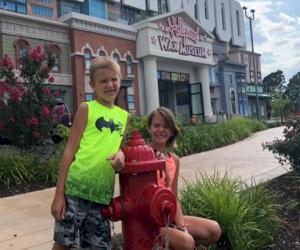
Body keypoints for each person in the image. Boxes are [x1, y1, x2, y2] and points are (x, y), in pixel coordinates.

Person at [51, 56, 129, 250]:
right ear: (92, 85)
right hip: (76, 190)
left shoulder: (124, 117)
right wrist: (59, 194)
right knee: (64, 243)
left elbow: (118, 147)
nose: (110, 84)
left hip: (102, 196)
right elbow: (69, 150)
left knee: (98, 246)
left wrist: (121, 156)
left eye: (114, 79)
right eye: (103, 81)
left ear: (120, 80)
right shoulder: (87, 109)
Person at [148, 107, 221, 250]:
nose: (161, 130)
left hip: (169, 217)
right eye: (156, 125)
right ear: (149, 128)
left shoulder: (174, 160)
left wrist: (181, 225)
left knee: (214, 230)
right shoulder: (143, 155)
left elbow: (173, 196)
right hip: (150, 222)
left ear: (172, 131)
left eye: (166, 126)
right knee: (187, 243)